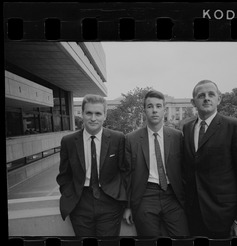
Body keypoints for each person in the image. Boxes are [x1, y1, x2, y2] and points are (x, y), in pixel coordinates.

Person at [183, 80, 237, 238]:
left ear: (219, 98)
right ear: (193, 102)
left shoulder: (235, 127)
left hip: (224, 217)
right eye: (201, 95)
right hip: (193, 216)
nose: (206, 98)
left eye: (211, 94)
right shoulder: (187, 128)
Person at [56, 94, 127, 236]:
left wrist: (125, 202)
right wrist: (70, 195)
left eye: (98, 113)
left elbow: (125, 172)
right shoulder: (68, 141)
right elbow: (64, 175)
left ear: (105, 115)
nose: (93, 118)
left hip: (110, 202)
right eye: (89, 113)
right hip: (80, 203)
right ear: (82, 114)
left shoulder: (118, 138)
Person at [123, 90, 189, 237]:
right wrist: (127, 207)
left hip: (173, 196)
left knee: (183, 239)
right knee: (149, 244)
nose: (154, 110)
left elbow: (185, 169)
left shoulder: (177, 136)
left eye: (158, 106)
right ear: (144, 110)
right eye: (150, 106)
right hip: (145, 195)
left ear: (164, 110)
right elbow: (127, 175)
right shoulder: (131, 139)